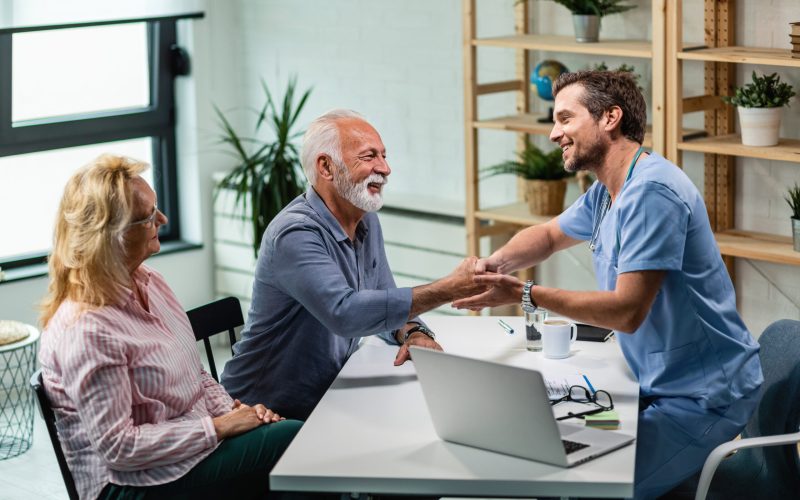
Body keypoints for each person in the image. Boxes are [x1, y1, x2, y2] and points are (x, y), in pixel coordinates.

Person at [453, 71, 763, 499]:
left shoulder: (653, 191)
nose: (553, 133)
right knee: (558, 448)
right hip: (656, 382)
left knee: (587, 485)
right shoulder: (609, 190)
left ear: (609, 118)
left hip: (704, 395)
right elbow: (547, 236)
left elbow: (626, 312)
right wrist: (493, 264)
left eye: (564, 118)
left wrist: (522, 293)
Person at [39, 155, 301, 500]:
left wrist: (237, 415)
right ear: (111, 236)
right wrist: (220, 427)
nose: (162, 219)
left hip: (186, 453)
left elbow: (197, 377)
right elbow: (120, 448)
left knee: (285, 438)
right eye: (148, 217)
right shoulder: (88, 329)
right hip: (129, 485)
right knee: (293, 442)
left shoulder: (152, 282)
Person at [222, 109, 484, 421]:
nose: (385, 169)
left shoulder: (365, 219)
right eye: (369, 156)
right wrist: (448, 289)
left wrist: (413, 331)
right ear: (326, 167)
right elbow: (346, 313)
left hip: (326, 398)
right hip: (264, 414)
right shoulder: (294, 234)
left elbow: (384, 299)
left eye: (384, 156)